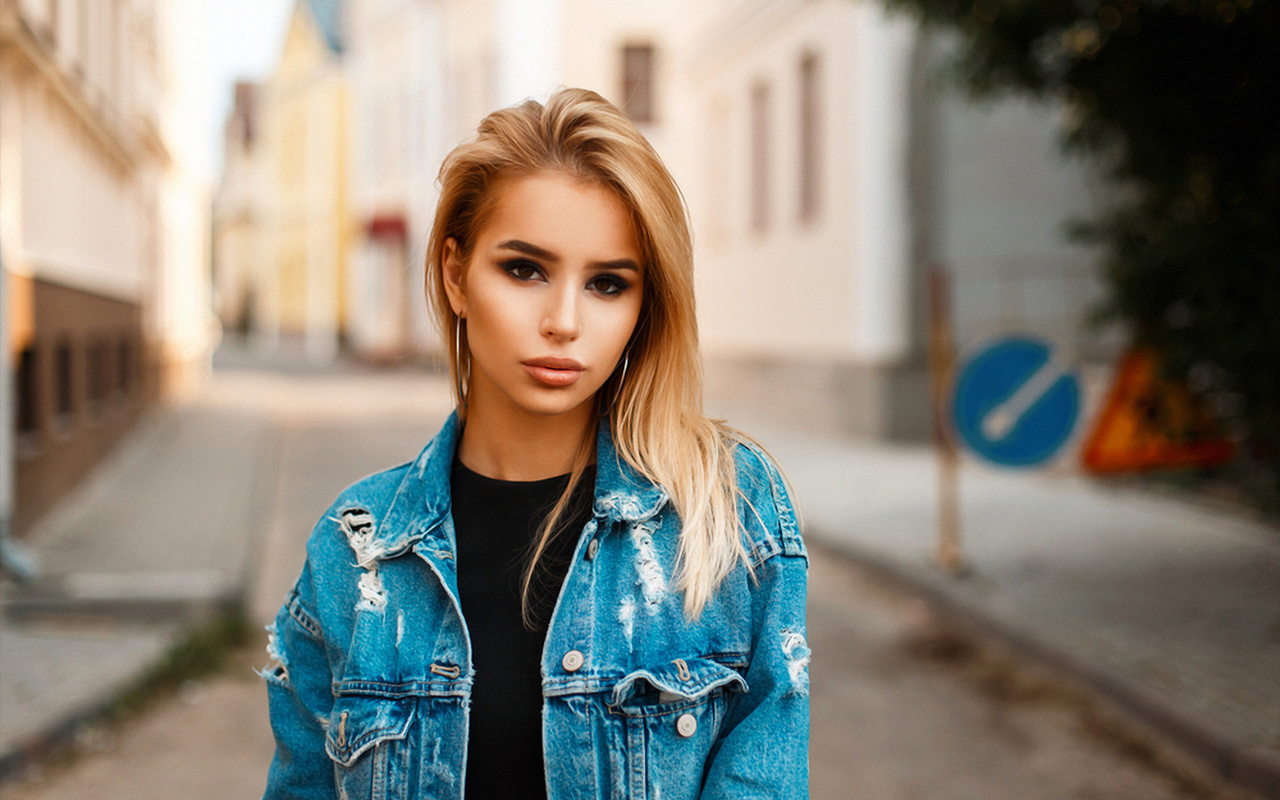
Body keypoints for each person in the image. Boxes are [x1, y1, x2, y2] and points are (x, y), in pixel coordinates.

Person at [261, 87, 809, 800]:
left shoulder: (729, 509)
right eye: (524, 269)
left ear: (647, 306)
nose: (563, 320)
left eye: (608, 284)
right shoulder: (354, 549)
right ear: (456, 275)